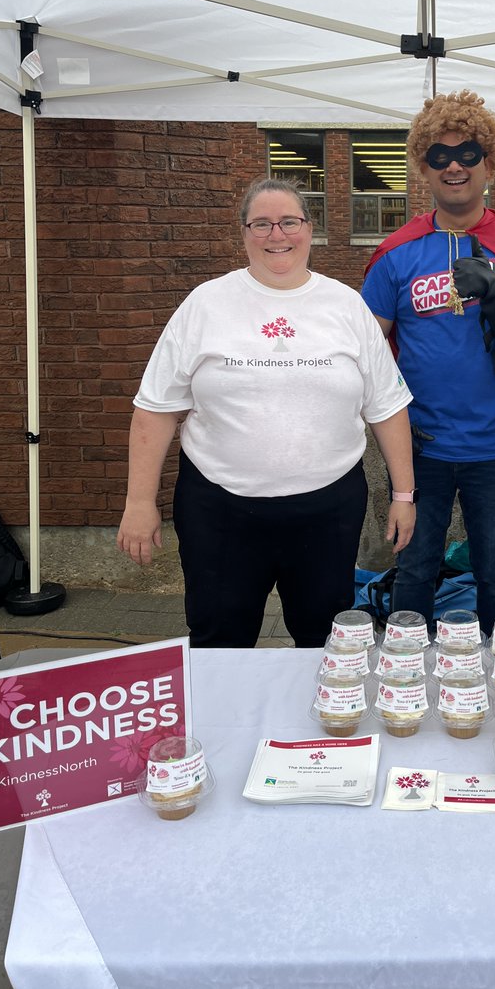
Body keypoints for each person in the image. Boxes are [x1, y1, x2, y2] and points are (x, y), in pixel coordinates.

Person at [117, 177, 415, 648]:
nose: (277, 235)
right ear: (244, 233)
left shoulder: (346, 307)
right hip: (219, 509)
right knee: (220, 638)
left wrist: (403, 494)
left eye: (289, 222)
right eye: (262, 224)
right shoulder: (205, 304)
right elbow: (155, 410)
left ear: (309, 228)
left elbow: (388, 408)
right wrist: (139, 502)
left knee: (324, 638)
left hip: (327, 509)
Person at [361, 90, 495, 635]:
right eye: (440, 155)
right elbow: (366, 353)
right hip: (419, 449)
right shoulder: (397, 252)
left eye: (468, 153)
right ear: (423, 166)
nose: (454, 166)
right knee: (413, 570)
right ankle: (406, 670)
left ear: (490, 162)